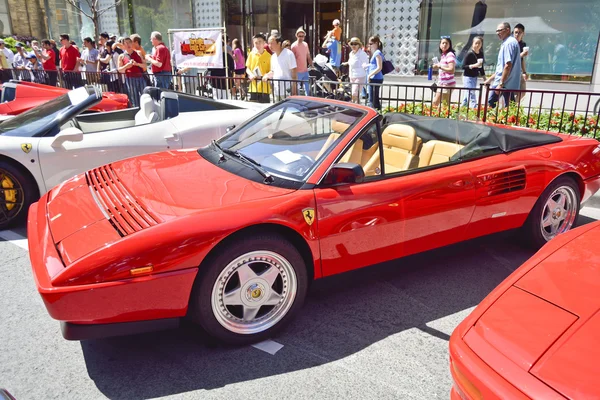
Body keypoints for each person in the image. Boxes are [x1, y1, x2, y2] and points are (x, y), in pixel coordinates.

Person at [484, 22, 521, 108]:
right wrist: (489, 79)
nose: (497, 33)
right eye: (496, 31)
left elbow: (508, 65)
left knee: (490, 104)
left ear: (507, 30)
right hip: (507, 83)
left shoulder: (509, 43)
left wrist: (501, 84)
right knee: (510, 107)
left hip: (503, 83)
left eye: (500, 30)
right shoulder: (510, 42)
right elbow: (502, 67)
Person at [264, 34, 297, 100]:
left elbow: (294, 72)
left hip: (287, 89)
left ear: (279, 43)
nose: (269, 46)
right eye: (268, 43)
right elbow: (273, 71)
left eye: (272, 43)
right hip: (276, 90)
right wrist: (267, 75)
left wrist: (294, 89)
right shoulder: (273, 57)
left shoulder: (289, 54)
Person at [118, 37, 146, 107]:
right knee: (134, 98)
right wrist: (126, 66)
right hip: (130, 79)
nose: (128, 45)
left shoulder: (138, 53)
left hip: (140, 77)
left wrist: (137, 64)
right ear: (123, 45)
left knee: (144, 96)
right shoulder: (121, 56)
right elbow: (119, 69)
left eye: (129, 42)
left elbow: (145, 65)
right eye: (126, 43)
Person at [246, 33, 272, 103]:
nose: (258, 45)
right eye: (256, 43)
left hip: (265, 88)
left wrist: (267, 75)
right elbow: (247, 68)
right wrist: (250, 74)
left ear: (264, 43)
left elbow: (272, 70)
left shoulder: (269, 56)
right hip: (253, 87)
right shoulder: (251, 54)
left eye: (260, 42)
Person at [343, 37, 369, 103]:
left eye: (355, 44)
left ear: (359, 45)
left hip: (360, 75)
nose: (353, 46)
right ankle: (358, 107)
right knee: (355, 94)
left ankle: (352, 106)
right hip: (352, 75)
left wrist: (367, 70)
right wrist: (346, 63)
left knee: (354, 93)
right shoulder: (351, 53)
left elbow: (366, 63)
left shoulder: (362, 54)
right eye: (352, 44)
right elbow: (350, 61)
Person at [461, 36, 484, 108]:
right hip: (467, 77)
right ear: (472, 44)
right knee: (471, 93)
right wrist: (474, 65)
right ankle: (474, 109)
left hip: (474, 76)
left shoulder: (480, 54)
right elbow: (463, 66)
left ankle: (462, 108)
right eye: (476, 43)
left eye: (479, 43)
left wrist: (485, 78)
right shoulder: (469, 54)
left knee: (467, 94)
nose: (477, 45)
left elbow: (481, 67)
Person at [432, 36, 456, 107]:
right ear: (440, 45)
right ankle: (433, 117)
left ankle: (445, 117)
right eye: (443, 43)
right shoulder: (443, 55)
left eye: (446, 43)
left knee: (445, 105)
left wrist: (439, 66)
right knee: (435, 103)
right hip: (442, 83)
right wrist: (437, 66)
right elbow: (443, 68)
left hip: (447, 84)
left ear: (449, 45)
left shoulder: (450, 55)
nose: (444, 45)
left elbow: (452, 70)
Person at [291, 27, 313, 95]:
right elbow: (292, 59)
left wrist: (311, 64)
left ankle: (308, 101)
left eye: (302, 36)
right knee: (297, 89)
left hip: (305, 70)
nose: (301, 38)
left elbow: (308, 56)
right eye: (299, 36)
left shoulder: (305, 45)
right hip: (297, 72)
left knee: (308, 88)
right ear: (296, 36)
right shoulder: (293, 46)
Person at [366, 36, 384, 110]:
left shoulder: (377, 53)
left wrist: (370, 75)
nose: (369, 46)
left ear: (376, 43)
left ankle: (374, 114)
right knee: (374, 98)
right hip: (375, 77)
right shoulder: (376, 52)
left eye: (371, 44)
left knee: (372, 100)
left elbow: (379, 67)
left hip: (375, 78)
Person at [513, 23, 528, 102]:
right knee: (510, 92)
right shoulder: (511, 43)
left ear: (523, 33)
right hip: (511, 71)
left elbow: (521, 60)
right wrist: (522, 54)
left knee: (523, 91)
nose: (517, 34)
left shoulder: (523, 44)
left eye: (519, 32)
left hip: (519, 71)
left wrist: (524, 71)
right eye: (515, 32)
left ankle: (514, 106)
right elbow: (512, 59)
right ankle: (510, 108)